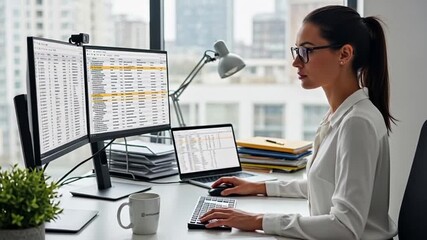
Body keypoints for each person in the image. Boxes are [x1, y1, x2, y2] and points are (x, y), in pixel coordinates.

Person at [200, 5, 398, 240]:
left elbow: (345, 227)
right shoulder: (339, 114)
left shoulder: (357, 123)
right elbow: (323, 185)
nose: (296, 62)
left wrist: (258, 221)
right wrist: (258, 187)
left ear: (344, 54)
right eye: (296, 51)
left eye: (306, 51)